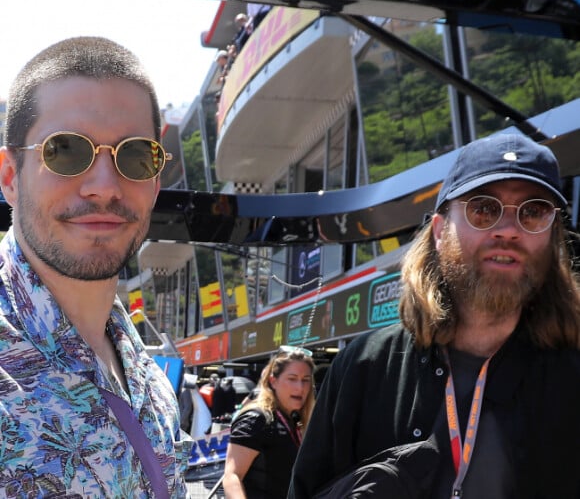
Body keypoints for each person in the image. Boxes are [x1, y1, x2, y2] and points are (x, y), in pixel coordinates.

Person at [289, 132, 580, 498]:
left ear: (552, 236)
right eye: (484, 209)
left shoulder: (570, 379)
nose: (508, 231)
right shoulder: (363, 367)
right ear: (441, 232)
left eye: (533, 212)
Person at [0, 36, 191, 496]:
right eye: (65, 151)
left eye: (135, 155)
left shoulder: (146, 373)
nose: (104, 187)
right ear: (9, 177)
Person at [223, 346, 315, 498]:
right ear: (273, 381)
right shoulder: (257, 419)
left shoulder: (294, 420)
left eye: (305, 380)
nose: (300, 387)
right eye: (292, 379)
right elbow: (232, 476)